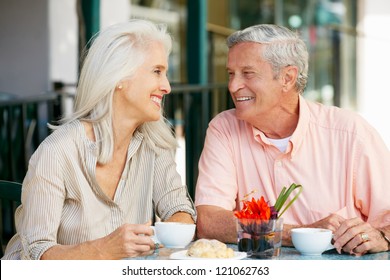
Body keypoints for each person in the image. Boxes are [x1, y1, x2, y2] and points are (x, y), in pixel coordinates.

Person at [2, 19, 196, 260]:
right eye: (157, 71)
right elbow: (36, 253)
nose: (167, 86)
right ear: (119, 78)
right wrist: (104, 250)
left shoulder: (154, 144)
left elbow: (179, 208)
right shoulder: (58, 151)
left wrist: (173, 230)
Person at [195, 24, 390, 256]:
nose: (233, 86)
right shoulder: (223, 129)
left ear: (287, 78)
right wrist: (301, 233)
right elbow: (210, 221)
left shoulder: (351, 134)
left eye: (247, 73)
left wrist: (380, 238)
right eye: (231, 74)